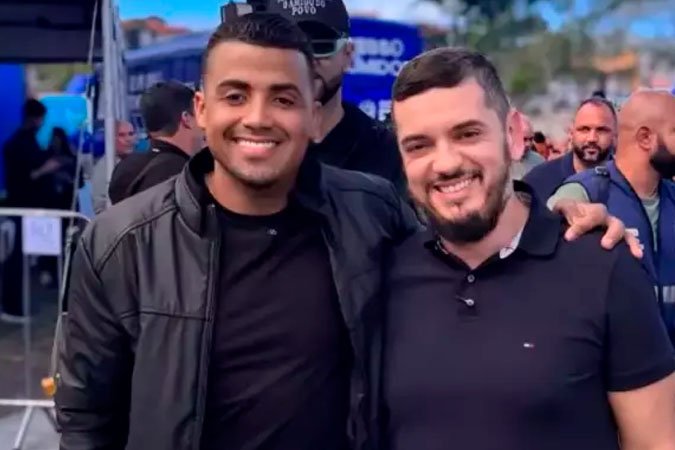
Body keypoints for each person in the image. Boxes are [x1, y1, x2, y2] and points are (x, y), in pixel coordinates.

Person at [55, 13, 418, 450]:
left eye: (283, 99)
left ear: (313, 115)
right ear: (201, 110)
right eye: (236, 96)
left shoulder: (374, 213)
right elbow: (86, 420)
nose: (258, 117)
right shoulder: (120, 244)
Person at [383, 47, 675, 450]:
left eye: (467, 134)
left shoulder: (605, 267)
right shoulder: (382, 275)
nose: (445, 163)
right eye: (419, 145)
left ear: (513, 134)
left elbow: (657, 441)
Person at [548, 89, 675, 341]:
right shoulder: (587, 193)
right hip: (611, 361)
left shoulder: (671, 197)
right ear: (646, 138)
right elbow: (544, 227)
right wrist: (560, 212)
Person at [264, 0, 406, 192]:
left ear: (348, 55)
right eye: (289, 46)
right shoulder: (248, 142)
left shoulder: (388, 152)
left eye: (321, 45)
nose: (306, 59)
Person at [0, 99, 63, 322]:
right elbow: (26, 177)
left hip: (30, 206)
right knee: (17, 259)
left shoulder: (25, 141)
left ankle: (17, 304)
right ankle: (13, 307)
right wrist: (47, 168)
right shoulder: (18, 144)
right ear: (36, 118)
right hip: (23, 206)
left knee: (23, 259)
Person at [108, 81, 204, 204]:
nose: (203, 125)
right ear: (186, 119)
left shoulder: (123, 168)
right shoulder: (183, 176)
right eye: (199, 114)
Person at [524, 97, 616, 200]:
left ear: (615, 135)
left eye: (601, 130)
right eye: (584, 129)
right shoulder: (538, 180)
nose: (592, 138)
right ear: (571, 133)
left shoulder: (627, 182)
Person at [91, 120, 136, 213]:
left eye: (131, 134)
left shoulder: (137, 161)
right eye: (122, 135)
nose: (128, 139)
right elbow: (99, 206)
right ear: (111, 139)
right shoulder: (104, 167)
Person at [510, 112, 545, 180]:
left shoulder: (538, 161)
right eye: (524, 139)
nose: (528, 144)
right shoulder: (495, 162)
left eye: (531, 139)